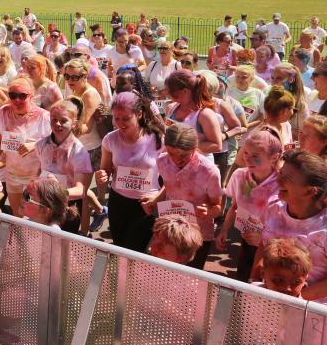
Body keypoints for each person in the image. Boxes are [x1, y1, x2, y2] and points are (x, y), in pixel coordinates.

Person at [256, 150, 327, 310]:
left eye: (287, 178)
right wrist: (254, 279)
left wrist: (296, 297)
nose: (278, 180)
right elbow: (263, 244)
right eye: (281, 173)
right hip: (274, 301)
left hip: (315, 310)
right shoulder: (273, 207)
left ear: (309, 191)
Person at [143, 124, 223, 269]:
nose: (176, 160)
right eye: (171, 153)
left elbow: (218, 207)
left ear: (195, 147)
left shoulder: (209, 171)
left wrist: (208, 212)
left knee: (190, 279)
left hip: (196, 235)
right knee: (160, 272)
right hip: (168, 230)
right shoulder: (162, 161)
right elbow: (168, 186)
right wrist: (155, 200)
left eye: (183, 155)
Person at [95, 91, 163, 252]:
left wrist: (158, 196)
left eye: (126, 118)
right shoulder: (110, 139)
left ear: (139, 114)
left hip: (145, 203)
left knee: (134, 250)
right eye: (116, 118)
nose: (120, 123)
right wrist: (102, 175)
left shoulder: (157, 138)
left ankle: (128, 277)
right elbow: (106, 168)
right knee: (120, 248)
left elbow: (173, 178)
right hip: (118, 201)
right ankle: (121, 277)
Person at [216, 130, 282, 281]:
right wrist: (224, 230)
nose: (248, 159)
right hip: (246, 240)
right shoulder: (240, 176)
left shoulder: (282, 184)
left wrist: (263, 240)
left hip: (272, 249)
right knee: (242, 278)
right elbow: (234, 206)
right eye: (245, 153)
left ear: (274, 157)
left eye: (255, 156)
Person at [36, 99, 106, 234]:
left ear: (74, 124)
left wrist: (56, 192)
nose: (57, 124)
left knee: (63, 247)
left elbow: (81, 190)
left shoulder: (79, 153)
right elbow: (40, 170)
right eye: (54, 119)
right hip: (44, 203)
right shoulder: (41, 145)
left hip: (68, 208)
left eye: (63, 121)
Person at [0, 78, 51, 217]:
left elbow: (55, 145)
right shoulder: (3, 113)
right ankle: (19, 239)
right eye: (12, 95)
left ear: (31, 96)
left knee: (36, 217)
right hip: (13, 174)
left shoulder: (44, 117)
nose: (17, 100)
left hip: (37, 176)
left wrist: (34, 145)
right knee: (17, 216)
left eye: (22, 96)